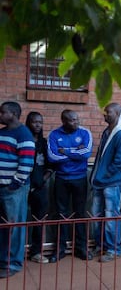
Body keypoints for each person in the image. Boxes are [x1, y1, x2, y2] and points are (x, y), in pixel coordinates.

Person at [47, 110, 93, 263]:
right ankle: (59, 249)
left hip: (80, 179)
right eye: (72, 120)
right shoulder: (54, 135)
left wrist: (65, 151)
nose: (76, 122)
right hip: (61, 179)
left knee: (79, 213)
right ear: (64, 121)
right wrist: (75, 152)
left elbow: (86, 153)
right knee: (61, 213)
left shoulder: (85, 133)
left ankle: (81, 248)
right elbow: (52, 156)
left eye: (77, 119)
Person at [90, 103, 121, 262]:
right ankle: (100, 245)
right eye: (105, 112)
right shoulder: (107, 131)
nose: (105, 115)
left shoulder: (120, 134)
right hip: (100, 182)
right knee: (97, 216)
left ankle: (113, 249)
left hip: (112, 183)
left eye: (109, 112)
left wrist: (104, 175)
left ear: (118, 114)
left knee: (111, 217)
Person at [0, 101, 35, 278]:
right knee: (3, 227)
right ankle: (2, 260)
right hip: (2, 186)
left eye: (2, 112)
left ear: (13, 114)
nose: (0, 114)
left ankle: (13, 264)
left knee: (14, 227)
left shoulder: (23, 134)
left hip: (13, 189)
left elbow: (27, 163)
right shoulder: (2, 132)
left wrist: (15, 183)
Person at [26, 112, 53, 264]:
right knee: (17, 220)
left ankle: (36, 252)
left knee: (39, 220)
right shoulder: (23, 141)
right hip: (22, 187)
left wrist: (41, 182)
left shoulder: (44, 143)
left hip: (40, 188)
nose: (37, 125)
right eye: (34, 122)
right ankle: (13, 252)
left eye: (40, 122)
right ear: (28, 123)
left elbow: (50, 167)